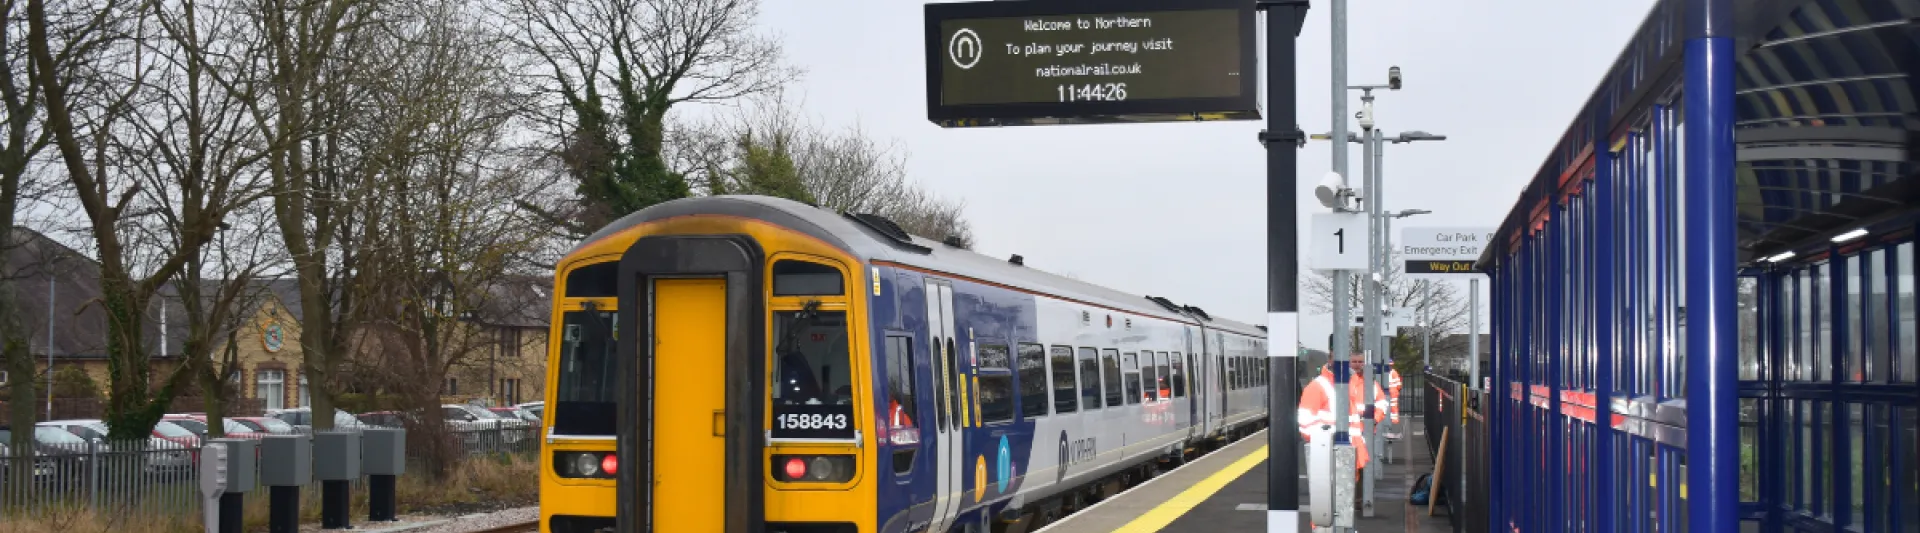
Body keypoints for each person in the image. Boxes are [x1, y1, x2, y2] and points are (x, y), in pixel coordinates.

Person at [1297, 351, 1388, 513]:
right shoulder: (1318, 386)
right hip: (1331, 452)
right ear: (1330, 360)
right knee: (1328, 506)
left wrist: (1372, 420)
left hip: (1353, 450)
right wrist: (1330, 439)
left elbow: (1378, 404)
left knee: (1343, 505)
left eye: (1357, 361)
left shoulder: (1356, 383)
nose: (1353, 365)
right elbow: (1305, 423)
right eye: (1351, 361)